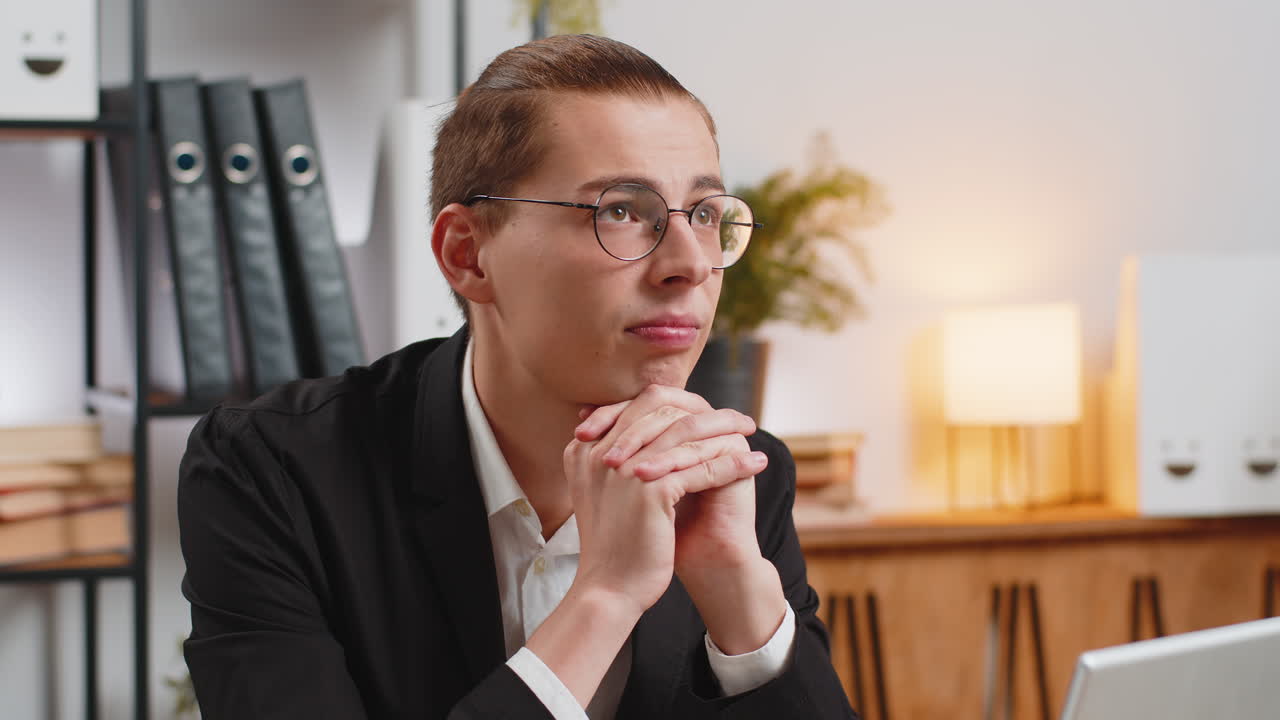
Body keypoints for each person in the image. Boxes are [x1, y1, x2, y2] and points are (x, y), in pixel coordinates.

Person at [178, 34, 857, 720]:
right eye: (620, 210)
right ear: (468, 254)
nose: (689, 263)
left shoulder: (739, 475)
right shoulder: (272, 469)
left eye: (705, 215)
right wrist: (605, 597)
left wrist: (742, 599)